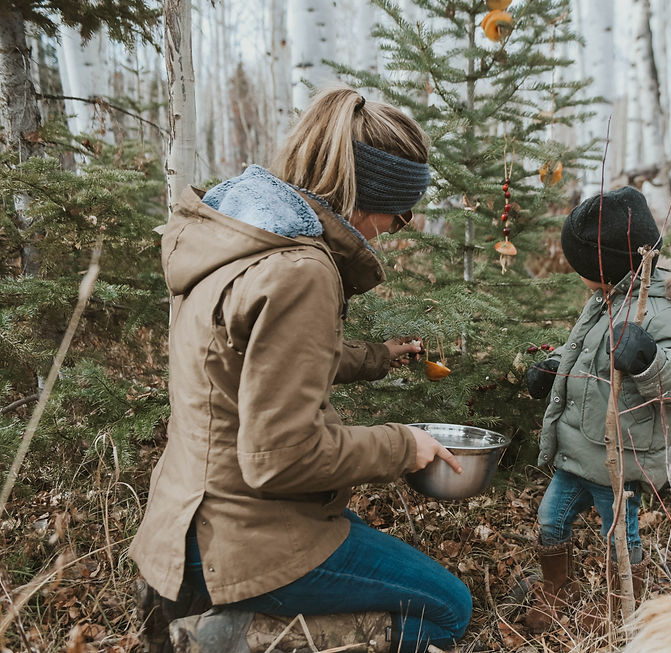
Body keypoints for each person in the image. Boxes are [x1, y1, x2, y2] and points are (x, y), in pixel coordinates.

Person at [130, 86, 472, 653]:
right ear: (367, 196)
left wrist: (378, 357)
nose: (398, 226)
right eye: (401, 210)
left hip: (187, 518)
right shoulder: (301, 272)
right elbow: (280, 457)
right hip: (243, 532)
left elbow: (258, 361)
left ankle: (208, 606)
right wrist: (402, 445)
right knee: (446, 610)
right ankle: (229, 636)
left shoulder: (243, 238)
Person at [521, 186, 671, 633]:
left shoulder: (665, 314)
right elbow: (580, 354)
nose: (577, 276)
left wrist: (649, 361)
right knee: (550, 519)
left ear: (605, 267)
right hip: (577, 452)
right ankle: (555, 588)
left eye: (581, 268)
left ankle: (621, 601)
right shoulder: (606, 297)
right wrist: (553, 371)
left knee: (619, 539)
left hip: (622, 460)